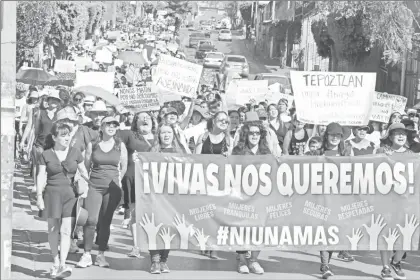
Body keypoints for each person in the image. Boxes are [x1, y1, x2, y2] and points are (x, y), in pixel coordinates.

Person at [36, 123, 89, 278]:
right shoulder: (45, 154)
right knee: (53, 229)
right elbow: (41, 176)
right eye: (63, 135)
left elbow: (83, 171)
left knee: (66, 231)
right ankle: (55, 261)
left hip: (70, 196)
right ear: (54, 137)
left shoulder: (75, 152)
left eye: (68, 135)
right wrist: (39, 196)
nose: (67, 138)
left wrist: (86, 186)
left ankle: (63, 264)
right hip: (52, 195)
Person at [77, 116, 127, 268]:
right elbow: (85, 165)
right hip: (95, 186)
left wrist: (116, 181)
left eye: (114, 124)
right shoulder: (94, 144)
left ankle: (101, 255)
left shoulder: (120, 145)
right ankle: (86, 254)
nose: (111, 127)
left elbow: (123, 166)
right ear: (102, 127)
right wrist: (87, 183)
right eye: (108, 124)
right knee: (91, 220)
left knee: (105, 222)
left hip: (112, 189)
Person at [147, 123, 187, 274]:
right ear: (158, 135)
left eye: (169, 132)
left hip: (173, 197)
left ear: (173, 134)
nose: (166, 135)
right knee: (156, 227)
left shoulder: (180, 151)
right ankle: (155, 260)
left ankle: (164, 260)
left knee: (169, 228)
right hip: (155, 196)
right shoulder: (152, 151)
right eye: (163, 132)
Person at [232, 112, 270, 274]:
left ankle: (254, 260)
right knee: (242, 228)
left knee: (259, 229)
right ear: (245, 134)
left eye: (257, 133)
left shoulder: (265, 151)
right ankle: (241, 261)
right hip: (242, 197)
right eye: (251, 133)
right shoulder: (238, 150)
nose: (254, 136)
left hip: (261, 198)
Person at [377, 122, 415, 280]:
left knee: (407, 236)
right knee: (386, 235)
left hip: (407, 202)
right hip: (386, 200)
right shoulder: (381, 152)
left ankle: (396, 261)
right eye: (397, 133)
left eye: (403, 133)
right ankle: (385, 267)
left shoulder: (412, 154)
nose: (401, 136)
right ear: (390, 136)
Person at [317, 122, 354, 279]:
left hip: (340, 197)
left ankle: (327, 261)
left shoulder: (346, 151)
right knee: (326, 230)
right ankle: (325, 264)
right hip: (322, 197)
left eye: (338, 135)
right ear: (327, 136)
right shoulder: (319, 151)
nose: (334, 138)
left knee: (334, 231)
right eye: (332, 135)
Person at [120, 112, 157, 258]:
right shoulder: (129, 135)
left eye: (147, 116)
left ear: (153, 122)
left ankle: (152, 244)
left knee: (154, 213)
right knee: (135, 213)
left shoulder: (158, 137)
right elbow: (112, 130)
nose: (145, 118)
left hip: (153, 180)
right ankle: (136, 246)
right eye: (141, 117)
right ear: (135, 122)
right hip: (134, 176)